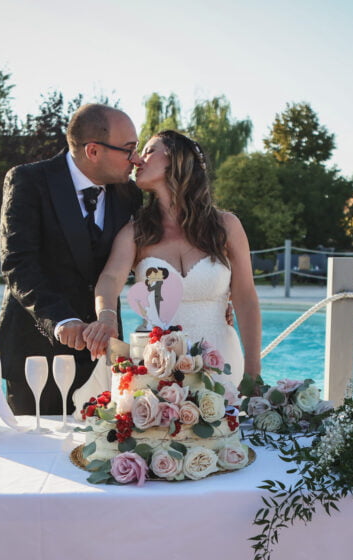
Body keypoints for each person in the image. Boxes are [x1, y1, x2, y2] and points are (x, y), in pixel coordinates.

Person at [0, 104, 143, 415]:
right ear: (93, 151)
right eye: (129, 149)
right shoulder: (28, 181)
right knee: (34, 455)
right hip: (36, 355)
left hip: (105, 353)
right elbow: (17, 264)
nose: (136, 159)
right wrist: (62, 320)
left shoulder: (130, 194)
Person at [84, 129, 262, 380]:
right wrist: (106, 316)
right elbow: (110, 279)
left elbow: (245, 297)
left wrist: (253, 371)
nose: (137, 160)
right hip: (156, 367)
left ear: (175, 158)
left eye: (148, 151)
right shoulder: (136, 231)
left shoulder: (226, 226)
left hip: (221, 362)